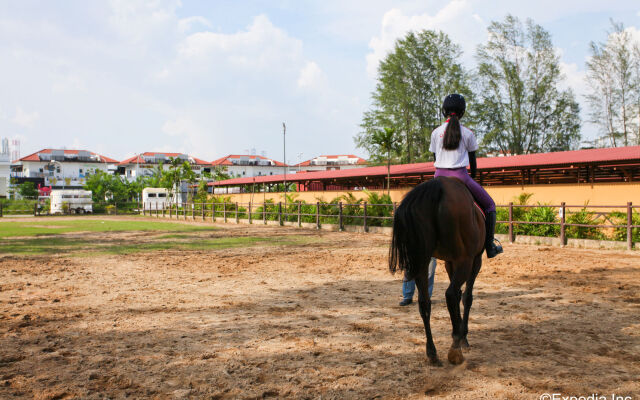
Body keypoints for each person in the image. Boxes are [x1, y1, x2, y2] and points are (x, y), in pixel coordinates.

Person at [429, 93, 503, 258]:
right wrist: (472, 178)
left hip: (438, 177)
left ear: (444, 111)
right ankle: (490, 246)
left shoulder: (436, 133)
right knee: (490, 205)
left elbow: (436, 159)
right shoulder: (468, 133)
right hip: (461, 176)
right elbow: (473, 163)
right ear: (462, 112)